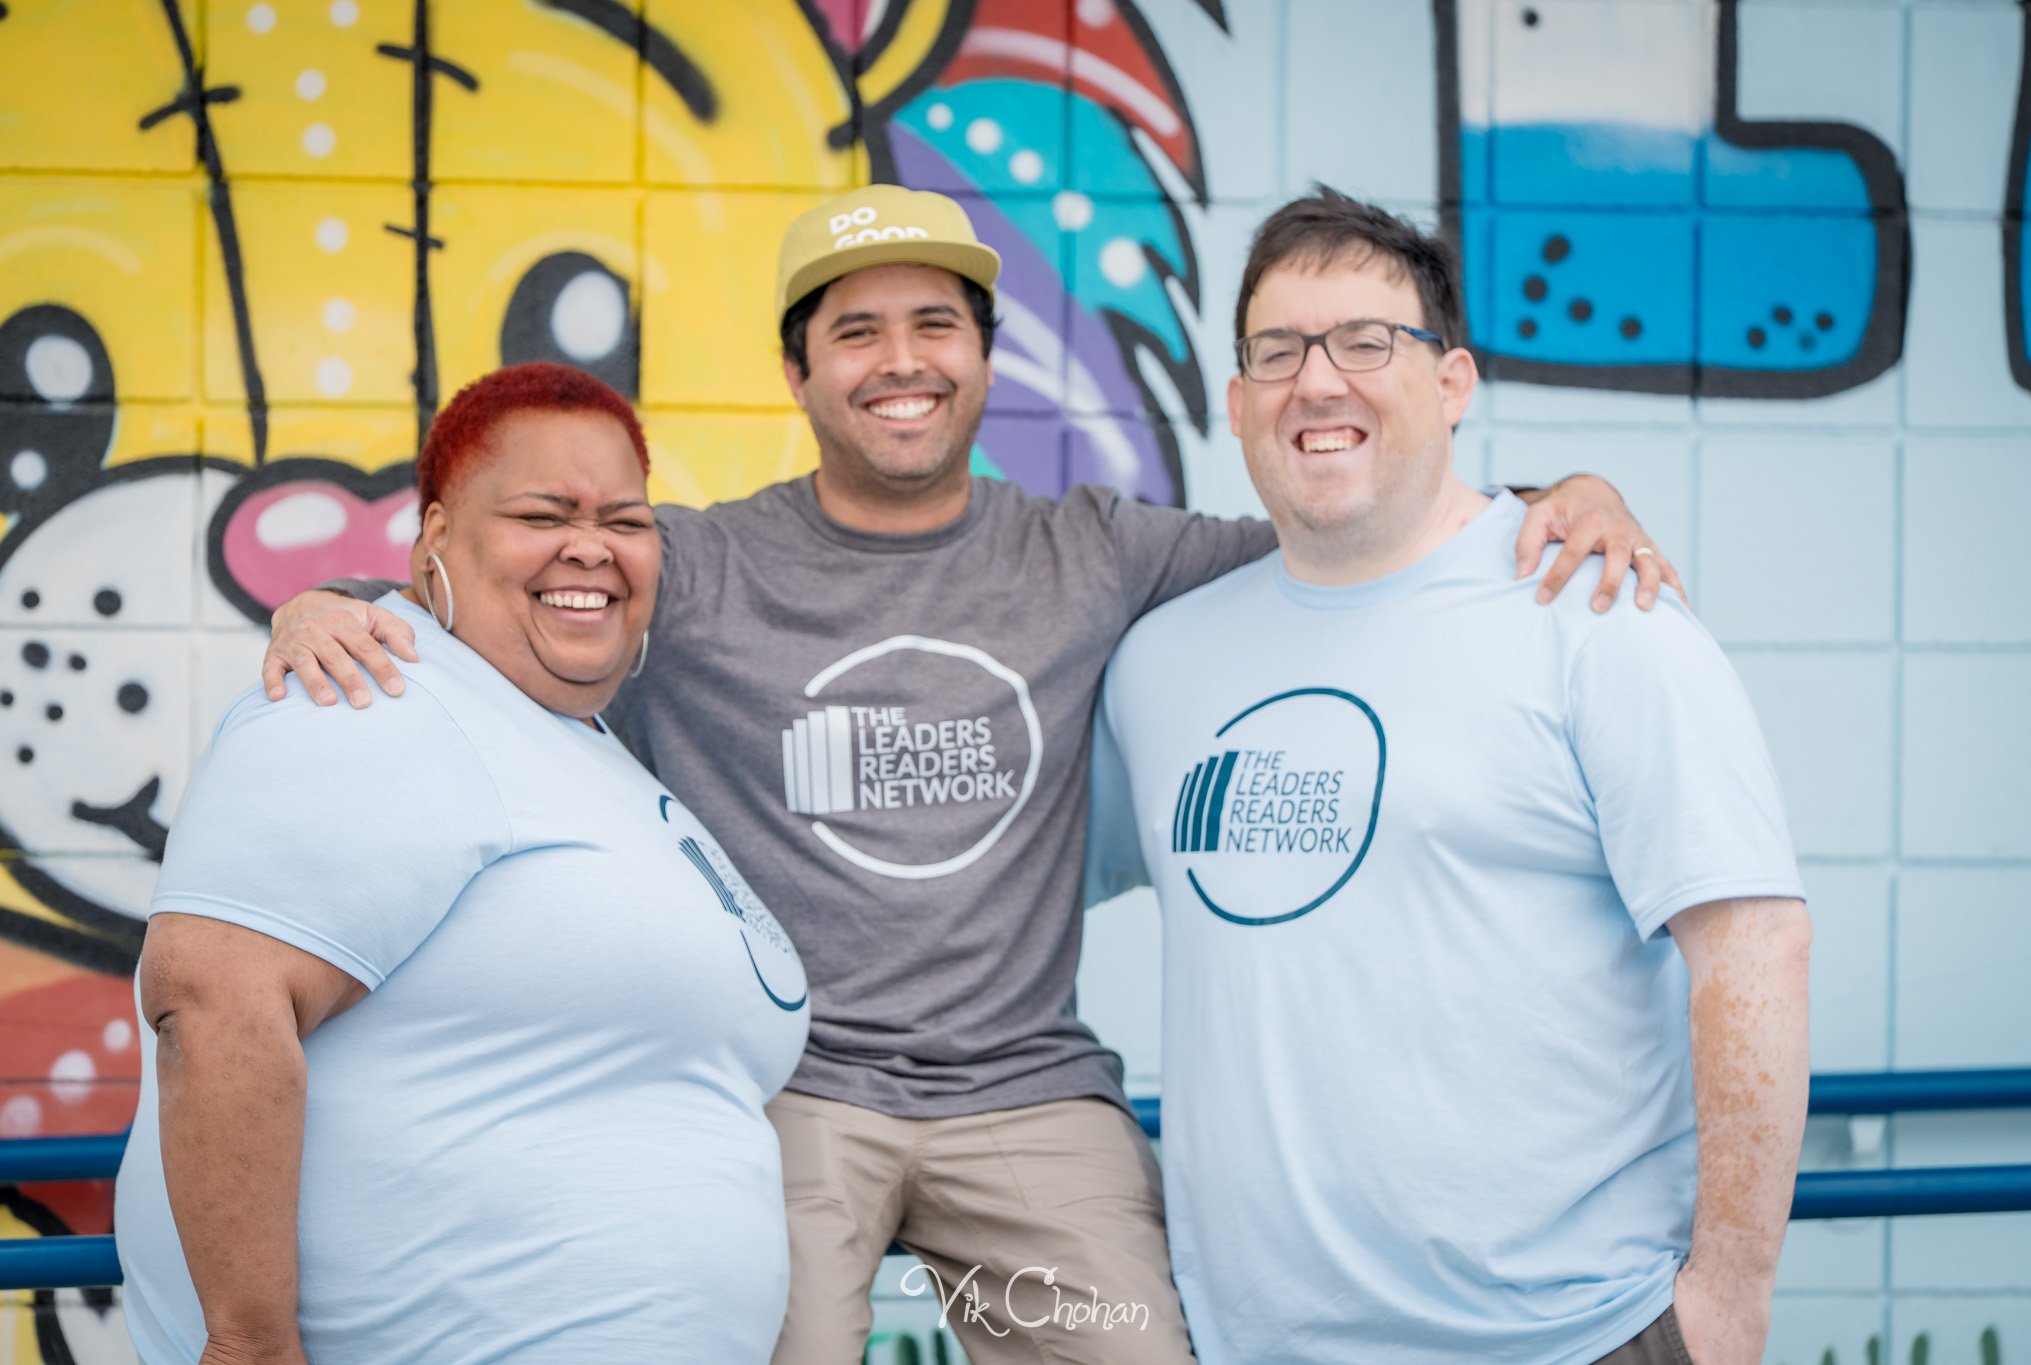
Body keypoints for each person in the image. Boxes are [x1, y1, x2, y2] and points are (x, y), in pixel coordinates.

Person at [260, 185, 1678, 1362]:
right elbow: (509, 587)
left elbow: (1372, 531)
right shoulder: (695, 567)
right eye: (857, 328)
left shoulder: (1098, 550)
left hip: (1027, 1099)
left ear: (988, 360)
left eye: (937, 322)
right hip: (795, 1096)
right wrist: (332, 603)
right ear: (799, 371)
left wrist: (1561, 494)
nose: (902, 357)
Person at [1087, 187, 1812, 1365]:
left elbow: (1752, 945)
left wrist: (1727, 1300)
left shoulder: (1595, 610)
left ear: (1451, 382)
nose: (1317, 382)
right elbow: (1013, 882)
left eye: (1366, 342)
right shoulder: (1160, 662)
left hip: (1569, 1338)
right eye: (1278, 351)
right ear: (1235, 402)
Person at [114, 363, 809, 1364]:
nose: (590, 547)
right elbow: (213, 1000)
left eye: (626, 520)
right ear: (435, 537)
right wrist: (251, 1344)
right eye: (542, 513)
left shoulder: (575, 737)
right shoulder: (369, 692)